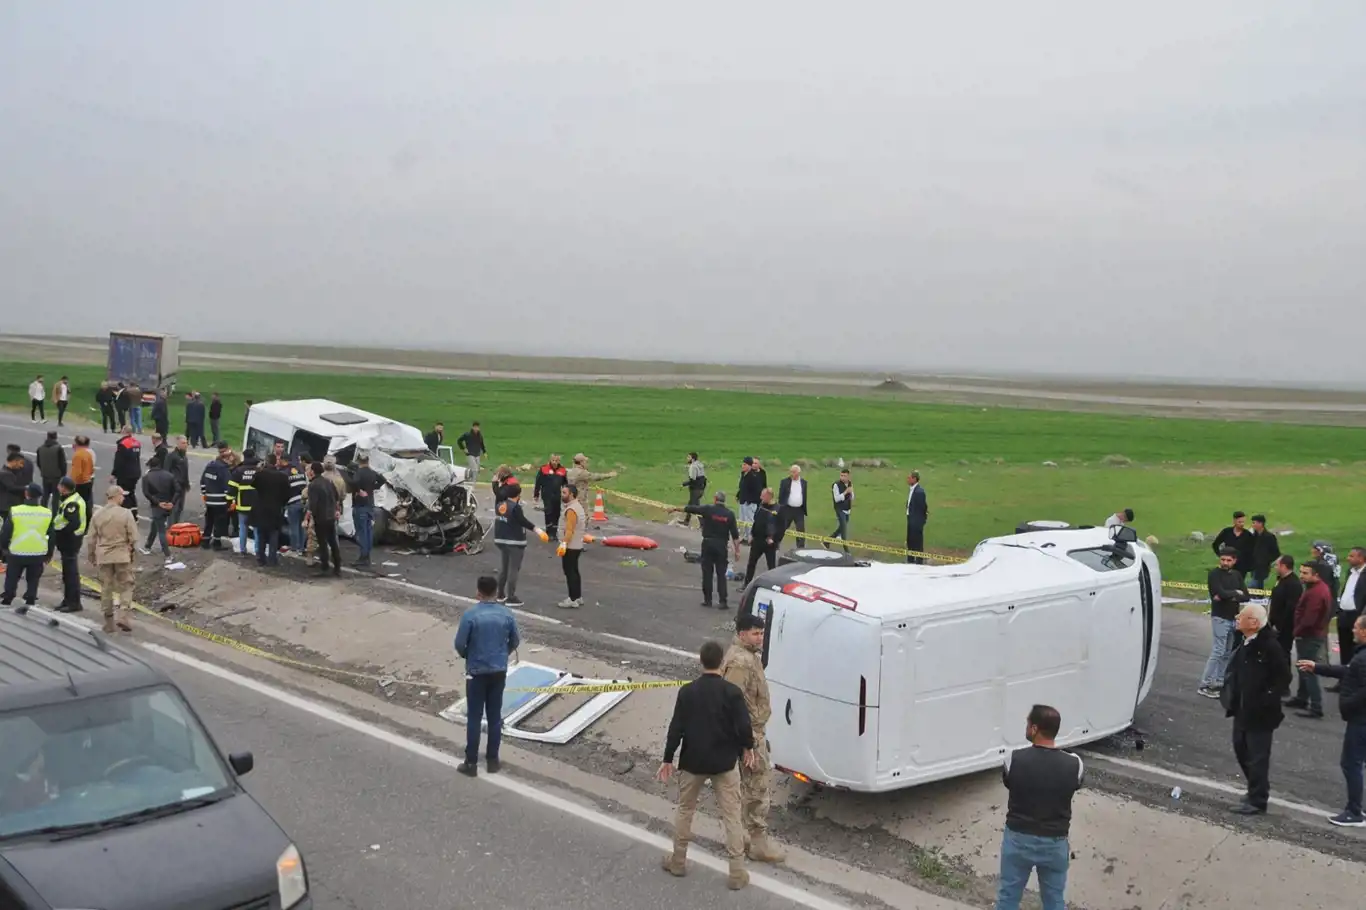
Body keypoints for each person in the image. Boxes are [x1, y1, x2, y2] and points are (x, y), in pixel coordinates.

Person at [659, 640, 755, 890]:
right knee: (732, 816)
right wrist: (748, 748)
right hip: (724, 763)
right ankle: (737, 872)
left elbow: (676, 728)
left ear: (700, 661)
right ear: (722, 662)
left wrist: (668, 758)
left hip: (693, 762)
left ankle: (678, 861)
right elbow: (744, 726)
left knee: (685, 810)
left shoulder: (687, 692)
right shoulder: (732, 692)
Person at [994, 705, 1084, 910]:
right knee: (1054, 901)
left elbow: (1009, 782)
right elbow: (1076, 784)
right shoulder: (1075, 764)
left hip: (1018, 839)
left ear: (1034, 729)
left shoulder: (1013, 759)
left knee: (1008, 897)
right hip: (1054, 843)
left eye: (1027, 724)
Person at [721, 614, 785, 863]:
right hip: (749, 734)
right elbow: (731, 702)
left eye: (762, 633)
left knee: (745, 787)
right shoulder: (741, 662)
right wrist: (747, 742)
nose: (760, 638)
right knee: (757, 787)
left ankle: (742, 836)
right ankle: (757, 842)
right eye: (755, 633)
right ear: (742, 634)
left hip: (749, 732)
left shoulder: (746, 656)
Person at [1222, 603, 1291, 815]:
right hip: (1242, 709)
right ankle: (1255, 789)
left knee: (1257, 756)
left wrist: (1266, 699)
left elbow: (1284, 677)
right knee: (1240, 748)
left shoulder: (1269, 646)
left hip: (1260, 714)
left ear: (1254, 623)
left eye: (1241, 615)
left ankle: (1258, 799)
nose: (1237, 617)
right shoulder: (1245, 642)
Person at [1297, 614, 1366, 827]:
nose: (1352, 631)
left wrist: (1348, 705)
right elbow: (1347, 671)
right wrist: (1317, 667)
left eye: (1356, 627)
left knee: (1351, 763)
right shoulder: (1361, 656)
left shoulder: (1364, 658)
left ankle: (1354, 812)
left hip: (1360, 720)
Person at [454, 576, 521, 777]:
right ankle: (493, 760)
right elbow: (515, 640)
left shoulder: (470, 615)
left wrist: (468, 655)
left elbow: (459, 644)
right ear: (496, 592)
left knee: (474, 717)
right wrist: (503, 655)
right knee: (494, 716)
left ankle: (471, 762)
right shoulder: (507, 614)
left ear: (478, 592)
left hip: (476, 672)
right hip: (498, 671)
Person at [672, 491, 741, 610]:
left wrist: (675, 509)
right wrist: (737, 551)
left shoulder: (708, 509)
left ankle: (707, 599)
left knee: (707, 573)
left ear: (715, 499)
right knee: (721, 574)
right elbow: (735, 535)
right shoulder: (729, 514)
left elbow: (692, 508)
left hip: (708, 543)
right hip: (721, 545)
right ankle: (723, 601)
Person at [1285, 561, 1335, 719]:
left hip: (1309, 635)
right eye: (1301, 572)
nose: (1302, 575)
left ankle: (1316, 706)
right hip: (1311, 634)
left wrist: (1296, 632)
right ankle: (1301, 698)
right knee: (1303, 667)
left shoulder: (1317, 593)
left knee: (1308, 669)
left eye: (1306, 573)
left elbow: (1309, 619)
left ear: (1316, 575)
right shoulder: (1316, 588)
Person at [1198, 548, 1249, 699]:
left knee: (1227, 652)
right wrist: (1235, 593)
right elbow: (1219, 592)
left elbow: (1246, 596)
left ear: (1234, 561)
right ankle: (1205, 684)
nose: (1225, 563)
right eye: (1223, 560)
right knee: (1218, 651)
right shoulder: (1214, 574)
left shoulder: (1237, 575)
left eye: (1228, 560)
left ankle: (1218, 682)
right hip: (1219, 617)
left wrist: (1230, 595)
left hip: (1233, 618)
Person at [86, 484, 138, 633]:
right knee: (127, 585)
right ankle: (123, 614)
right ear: (116, 496)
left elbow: (91, 538)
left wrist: (91, 555)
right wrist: (132, 554)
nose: (123, 498)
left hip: (104, 555)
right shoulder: (126, 514)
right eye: (122, 496)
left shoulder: (97, 514)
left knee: (106, 588)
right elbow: (134, 537)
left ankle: (109, 621)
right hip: (122, 554)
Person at [493, 481, 547, 607]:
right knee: (514, 569)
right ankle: (511, 597)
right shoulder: (515, 507)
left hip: (501, 539)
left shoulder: (500, 505)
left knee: (504, 568)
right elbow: (522, 521)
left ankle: (500, 594)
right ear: (518, 494)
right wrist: (537, 530)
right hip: (515, 540)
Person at [0, 484, 53, 606]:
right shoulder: (47, 513)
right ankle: (30, 597)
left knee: (12, 577)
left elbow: (6, 532)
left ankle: (8, 597)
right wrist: (49, 553)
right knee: (33, 579)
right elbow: (51, 535)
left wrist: (4, 548)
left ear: (26, 494)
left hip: (17, 552)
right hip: (38, 552)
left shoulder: (16, 511)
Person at [51, 476, 88, 612]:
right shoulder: (73, 499)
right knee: (68, 573)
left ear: (64, 488)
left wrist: (60, 534)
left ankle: (73, 603)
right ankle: (68, 600)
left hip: (70, 541)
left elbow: (74, 523)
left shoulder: (72, 503)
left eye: (60, 486)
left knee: (71, 574)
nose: (58, 488)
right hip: (70, 541)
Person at [251, 453, 291, 567]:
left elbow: (253, 484)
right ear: (275, 462)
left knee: (261, 534)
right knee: (274, 534)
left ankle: (260, 558)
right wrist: (281, 504)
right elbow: (287, 494)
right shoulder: (283, 476)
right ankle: (272, 559)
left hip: (261, 509)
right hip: (276, 509)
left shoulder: (261, 474)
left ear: (266, 462)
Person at [1334, 547, 1366, 685]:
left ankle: (1355, 681)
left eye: (1352, 556)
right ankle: (1343, 680)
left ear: (1361, 558)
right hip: (1343, 614)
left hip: (1357, 616)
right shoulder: (1350, 572)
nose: (1348, 558)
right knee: (1344, 649)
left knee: (1356, 649)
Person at [556, 484, 591, 608]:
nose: (562, 495)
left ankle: (572, 598)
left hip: (570, 546)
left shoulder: (571, 510)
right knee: (574, 571)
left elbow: (569, 530)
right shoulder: (578, 507)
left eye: (564, 493)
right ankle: (578, 596)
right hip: (577, 544)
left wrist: (564, 544)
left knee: (569, 572)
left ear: (571, 494)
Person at [140, 454, 178, 561]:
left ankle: (168, 555)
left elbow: (146, 493)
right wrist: (172, 502)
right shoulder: (169, 475)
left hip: (157, 506)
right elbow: (177, 490)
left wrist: (158, 503)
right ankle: (148, 546)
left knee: (161, 530)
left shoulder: (146, 478)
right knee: (155, 524)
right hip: (168, 505)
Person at [306, 462, 341, 577]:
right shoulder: (328, 482)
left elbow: (313, 504)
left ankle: (324, 567)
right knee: (333, 542)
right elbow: (336, 497)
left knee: (322, 543)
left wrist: (309, 517)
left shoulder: (313, 485)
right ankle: (337, 567)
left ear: (312, 471)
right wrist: (336, 510)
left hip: (321, 517)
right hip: (330, 516)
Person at [1267, 555, 1302, 669]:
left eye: (1277, 565)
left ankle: (1283, 679)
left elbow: (1291, 608)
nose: (1275, 568)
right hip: (1275, 623)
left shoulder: (1293, 584)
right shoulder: (1281, 580)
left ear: (1283, 566)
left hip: (1285, 627)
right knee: (1274, 653)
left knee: (1282, 653)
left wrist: (1279, 626)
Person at [348, 453, 381, 567]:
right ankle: (367, 556)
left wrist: (359, 491)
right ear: (368, 460)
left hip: (360, 504)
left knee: (361, 532)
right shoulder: (372, 473)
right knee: (368, 531)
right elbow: (383, 480)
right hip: (370, 504)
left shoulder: (359, 473)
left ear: (359, 461)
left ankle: (363, 557)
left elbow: (353, 482)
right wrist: (373, 488)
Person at [743, 489, 782, 584]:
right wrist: (752, 534)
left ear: (769, 496)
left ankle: (773, 584)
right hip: (757, 540)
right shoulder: (761, 506)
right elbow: (756, 521)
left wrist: (774, 539)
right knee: (751, 563)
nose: (761, 498)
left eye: (763, 496)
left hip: (769, 543)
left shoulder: (778, 509)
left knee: (771, 566)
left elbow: (781, 527)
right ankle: (746, 584)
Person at [200, 443, 233, 550]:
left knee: (209, 521)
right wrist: (230, 500)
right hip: (220, 501)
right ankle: (217, 543)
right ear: (226, 459)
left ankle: (205, 541)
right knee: (219, 522)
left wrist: (206, 494)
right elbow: (227, 486)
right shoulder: (224, 469)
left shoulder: (209, 466)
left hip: (209, 500)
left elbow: (202, 482)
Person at [229, 447, 261, 557]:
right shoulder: (259, 470)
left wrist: (229, 500)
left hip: (242, 505)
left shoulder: (239, 471)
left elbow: (232, 488)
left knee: (242, 528)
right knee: (257, 529)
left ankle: (243, 551)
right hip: (256, 506)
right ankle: (258, 552)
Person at [533, 453, 568, 540]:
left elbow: (565, 483)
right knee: (548, 512)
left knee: (557, 513)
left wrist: (566, 494)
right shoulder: (544, 469)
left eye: (557, 461)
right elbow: (538, 482)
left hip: (557, 495)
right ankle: (549, 532)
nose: (555, 462)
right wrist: (536, 494)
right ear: (550, 460)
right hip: (547, 494)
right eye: (553, 460)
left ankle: (554, 532)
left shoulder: (563, 470)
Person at [1211, 512, 1256, 580]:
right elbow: (1215, 544)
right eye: (1239, 522)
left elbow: (1252, 551)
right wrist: (1221, 555)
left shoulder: (1248, 535)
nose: (1242, 524)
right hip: (1227, 564)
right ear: (1234, 521)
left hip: (1241, 566)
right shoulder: (1226, 532)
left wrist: (1249, 565)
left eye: (1243, 522)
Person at [111, 425, 143, 521]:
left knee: (124, 494)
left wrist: (114, 474)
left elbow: (119, 461)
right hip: (135, 472)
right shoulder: (136, 443)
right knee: (131, 492)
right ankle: (134, 514)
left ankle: (126, 516)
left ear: (124, 432)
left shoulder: (122, 444)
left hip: (125, 474)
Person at [35, 430, 67, 511]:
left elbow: (38, 462)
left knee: (45, 495)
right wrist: (63, 474)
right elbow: (62, 463)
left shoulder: (40, 448)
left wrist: (43, 470)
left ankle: (42, 511)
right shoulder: (58, 448)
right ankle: (54, 514)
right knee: (56, 497)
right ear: (56, 437)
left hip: (45, 475)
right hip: (56, 476)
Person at [777, 464, 807, 547]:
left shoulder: (804, 483)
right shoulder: (785, 482)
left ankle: (800, 548)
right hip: (788, 509)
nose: (791, 474)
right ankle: (776, 542)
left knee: (801, 530)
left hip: (799, 510)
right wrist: (780, 508)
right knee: (782, 527)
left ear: (798, 473)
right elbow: (781, 496)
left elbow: (804, 496)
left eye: (794, 472)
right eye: (791, 472)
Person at [1249, 515, 1280, 591]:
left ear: (1260, 524)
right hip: (1253, 566)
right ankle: (1259, 599)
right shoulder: (1253, 536)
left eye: (1254, 523)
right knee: (1258, 586)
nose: (1252, 525)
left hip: (1262, 567)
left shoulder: (1269, 537)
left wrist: (1266, 561)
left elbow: (1276, 553)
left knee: (1252, 586)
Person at [283, 456, 307, 552]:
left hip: (293, 502)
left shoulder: (285, 472)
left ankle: (294, 548)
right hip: (303, 501)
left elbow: (284, 489)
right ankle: (301, 547)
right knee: (301, 527)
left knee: (294, 527)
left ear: (283, 461)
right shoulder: (300, 470)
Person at [905, 470, 929, 564]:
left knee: (918, 543)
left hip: (916, 522)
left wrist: (920, 522)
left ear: (914, 479)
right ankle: (910, 561)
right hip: (910, 520)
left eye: (909, 478)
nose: (907, 479)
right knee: (910, 541)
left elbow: (923, 508)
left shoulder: (919, 492)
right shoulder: (912, 490)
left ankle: (919, 562)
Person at [165, 436, 190, 524]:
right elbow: (166, 471)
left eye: (186, 443)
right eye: (183, 443)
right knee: (174, 508)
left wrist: (187, 484)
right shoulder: (171, 456)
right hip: (175, 487)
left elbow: (185, 471)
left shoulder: (184, 456)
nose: (185, 445)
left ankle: (177, 526)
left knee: (180, 508)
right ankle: (171, 527)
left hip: (182, 486)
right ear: (178, 444)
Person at [828, 469, 854, 554]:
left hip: (847, 509)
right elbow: (837, 499)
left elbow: (852, 497)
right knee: (844, 529)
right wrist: (846, 492)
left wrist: (851, 493)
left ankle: (827, 541)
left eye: (844, 476)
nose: (842, 477)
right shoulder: (836, 485)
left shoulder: (850, 484)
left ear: (848, 476)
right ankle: (847, 551)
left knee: (841, 528)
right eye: (841, 475)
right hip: (839, 509)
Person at [70, 435, 95, 515]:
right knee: (87, 502)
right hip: (88, 480)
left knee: (77, 503)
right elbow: (91, 468)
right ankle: (87, 519)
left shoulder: (78, 455)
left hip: (80, 482)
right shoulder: (88, 453)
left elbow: (77, 471)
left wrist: (71, 482)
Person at [680, 452, 707, 527]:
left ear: (692, 459)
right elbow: (704, 478)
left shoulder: (693, 467)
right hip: (700, 489)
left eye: (688, 457)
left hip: (695, 490)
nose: (687, 458)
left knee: (696, 508)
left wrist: (683, 484)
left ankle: (703, 524)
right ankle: (686, 521)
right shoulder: (700, 465)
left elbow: (693, 480)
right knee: (690, 505)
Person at [0, 450, 26, 523]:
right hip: (6, 509)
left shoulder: (9, 472)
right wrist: (27, 488)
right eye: (20, 463)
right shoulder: (5, 474)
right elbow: (11, 488)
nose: (22, 466)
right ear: (14, 461)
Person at [736, 457, 763, 527]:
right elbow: (742, 487)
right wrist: (738, 495)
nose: (743, 466)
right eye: (742, 464)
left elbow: (758, 491)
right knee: (742, 521)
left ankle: (751, 537)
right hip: (742, 502)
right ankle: (745, 537)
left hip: (750, 504)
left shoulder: (754, 476)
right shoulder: (743, 474)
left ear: (750, 466)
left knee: (749, 522)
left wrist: (750, 501)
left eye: (745, 464)